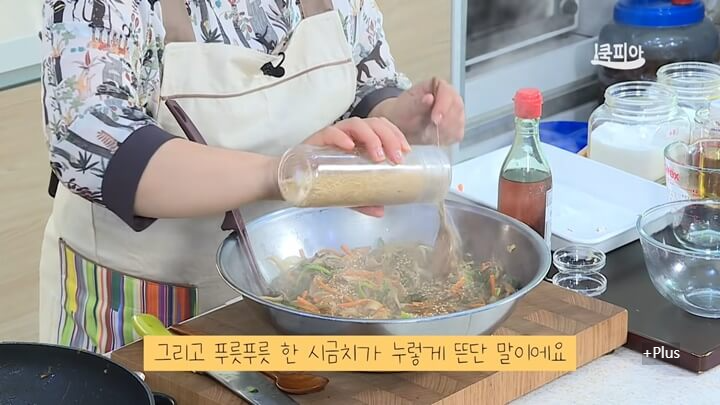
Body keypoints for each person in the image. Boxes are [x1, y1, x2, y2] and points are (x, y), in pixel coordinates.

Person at [39, 0, 465, 353]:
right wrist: (281, 174)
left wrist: (394, 114)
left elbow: (364, 77)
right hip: (151, 303)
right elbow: (91, 139)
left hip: (288, 294)